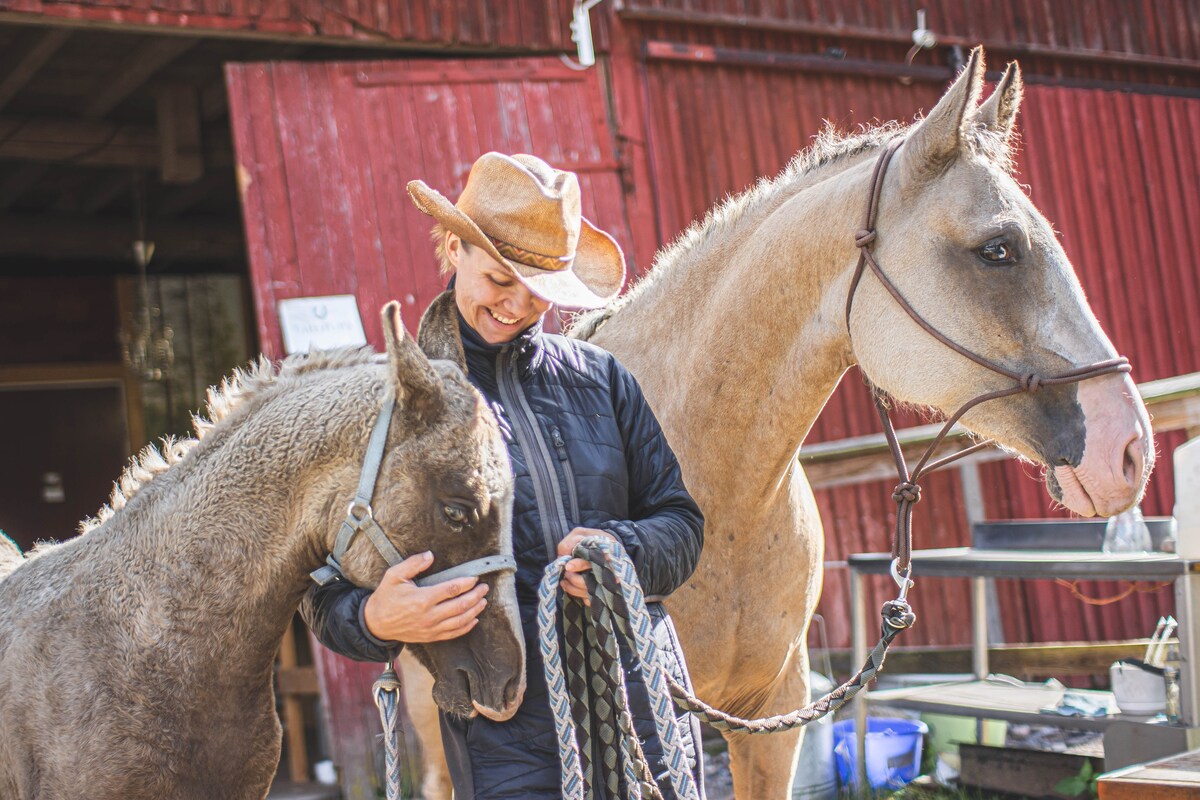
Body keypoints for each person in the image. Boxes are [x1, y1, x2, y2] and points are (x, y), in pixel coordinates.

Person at [301, 152, 706, 799]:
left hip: (639, 703)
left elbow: (681, 524)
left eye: (539, 288)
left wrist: (624, 553)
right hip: (504, 730)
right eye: (498, 279)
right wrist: (378, 618)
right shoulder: (391, 408)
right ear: (454, 246)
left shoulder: (602, 380)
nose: (517, 306)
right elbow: (321, 589)